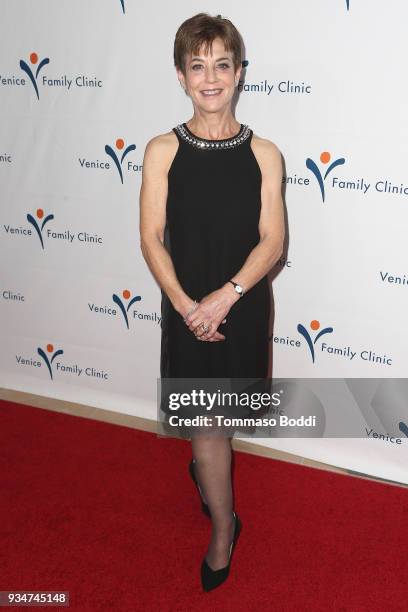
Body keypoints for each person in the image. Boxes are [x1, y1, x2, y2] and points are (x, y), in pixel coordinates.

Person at [139, 12, 284, 591]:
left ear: (240, 72)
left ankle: (207, 481)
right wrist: (185, 305)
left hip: (241, 305)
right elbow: (151, 237)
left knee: (223, 422)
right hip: (186, 308)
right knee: (206, 423)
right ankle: (224, 529)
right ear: (180, 76)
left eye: (222, 64)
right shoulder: (160, 151)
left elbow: (273, 240)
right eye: (197, 66)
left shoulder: (267, 153)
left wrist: (224, 298)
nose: (210, 77)